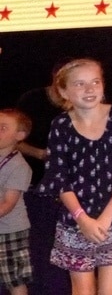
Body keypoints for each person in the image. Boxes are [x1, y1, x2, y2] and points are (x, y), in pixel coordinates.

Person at [36, 58, 112, 295]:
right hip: (75, 221)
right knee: (83, 291)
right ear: (63, 91)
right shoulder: (60, 126)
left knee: (109, 292)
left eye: (95, 82)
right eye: (79, 84)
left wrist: (106, 218)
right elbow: (59, 178)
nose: (89, 89)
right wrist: (82, 219)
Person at [15, 77, 68, 295]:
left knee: (60, 254)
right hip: (33, 188)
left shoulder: (78, 105)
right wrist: (40, 154)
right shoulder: (32, 100)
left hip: (64, 192)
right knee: (34, 250)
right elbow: (15, 138)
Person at [0, 108, 34, 295]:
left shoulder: (19, 166)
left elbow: (8, 204)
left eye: (3, 127)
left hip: (10, 231)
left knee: (14, 279)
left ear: (20, 135)